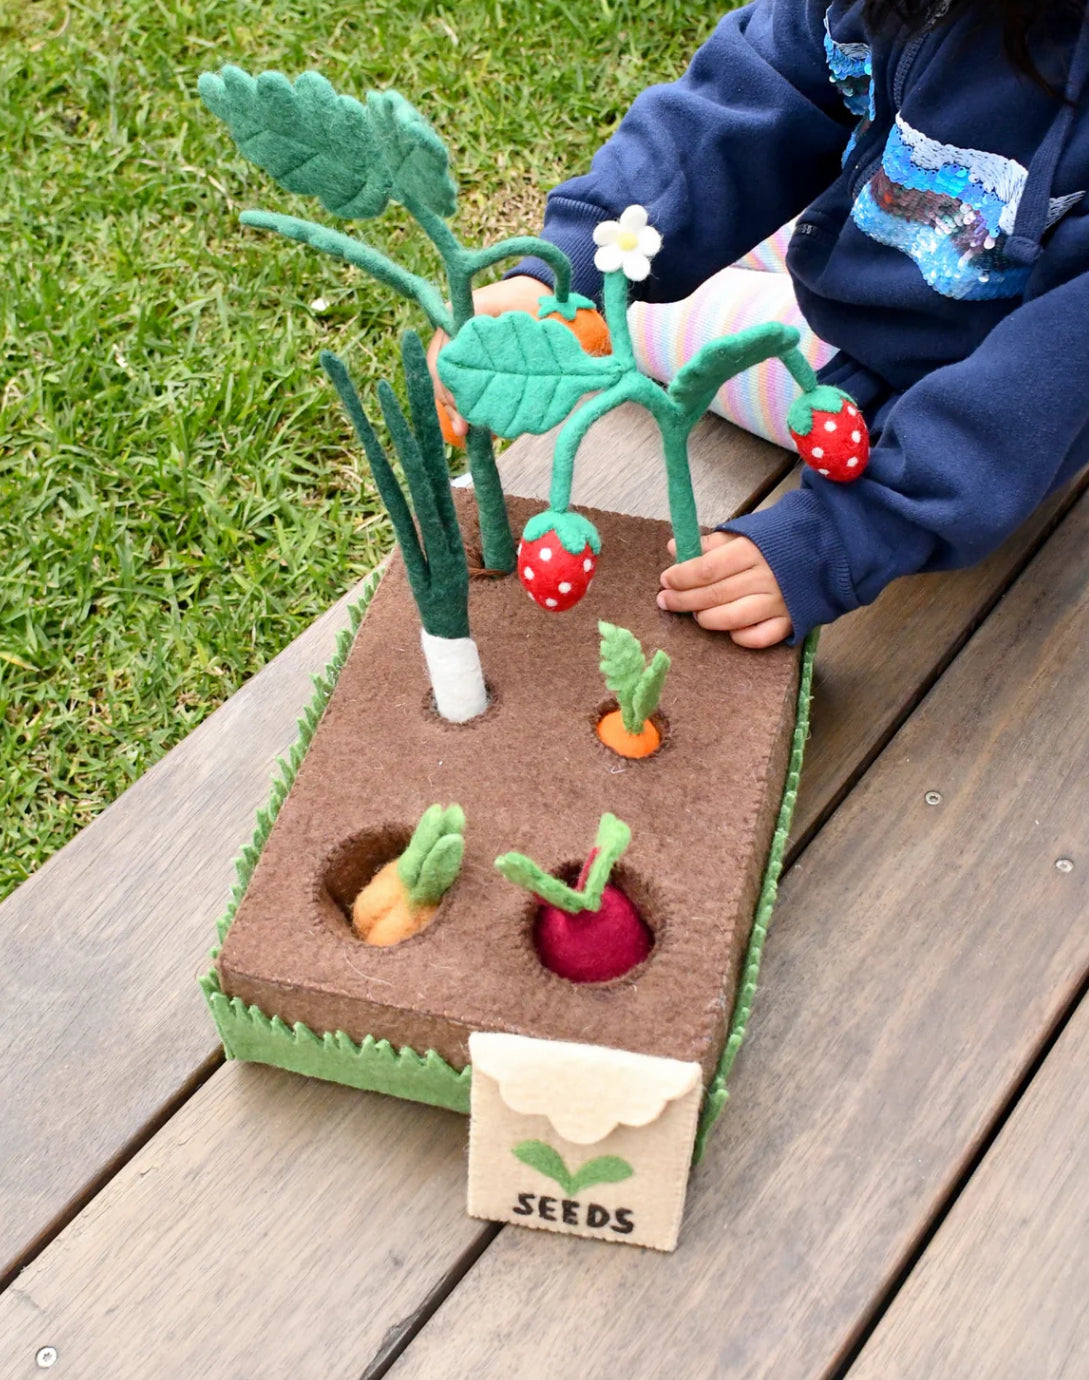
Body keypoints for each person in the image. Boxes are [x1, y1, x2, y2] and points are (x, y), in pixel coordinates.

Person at [429, 0, 1089, 648]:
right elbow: (761, 88)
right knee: (621, 277)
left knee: (629, 340)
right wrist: (562, 277)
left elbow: (1040, 389)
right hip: (898, 235)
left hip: (936, 397)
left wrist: (841, 538)